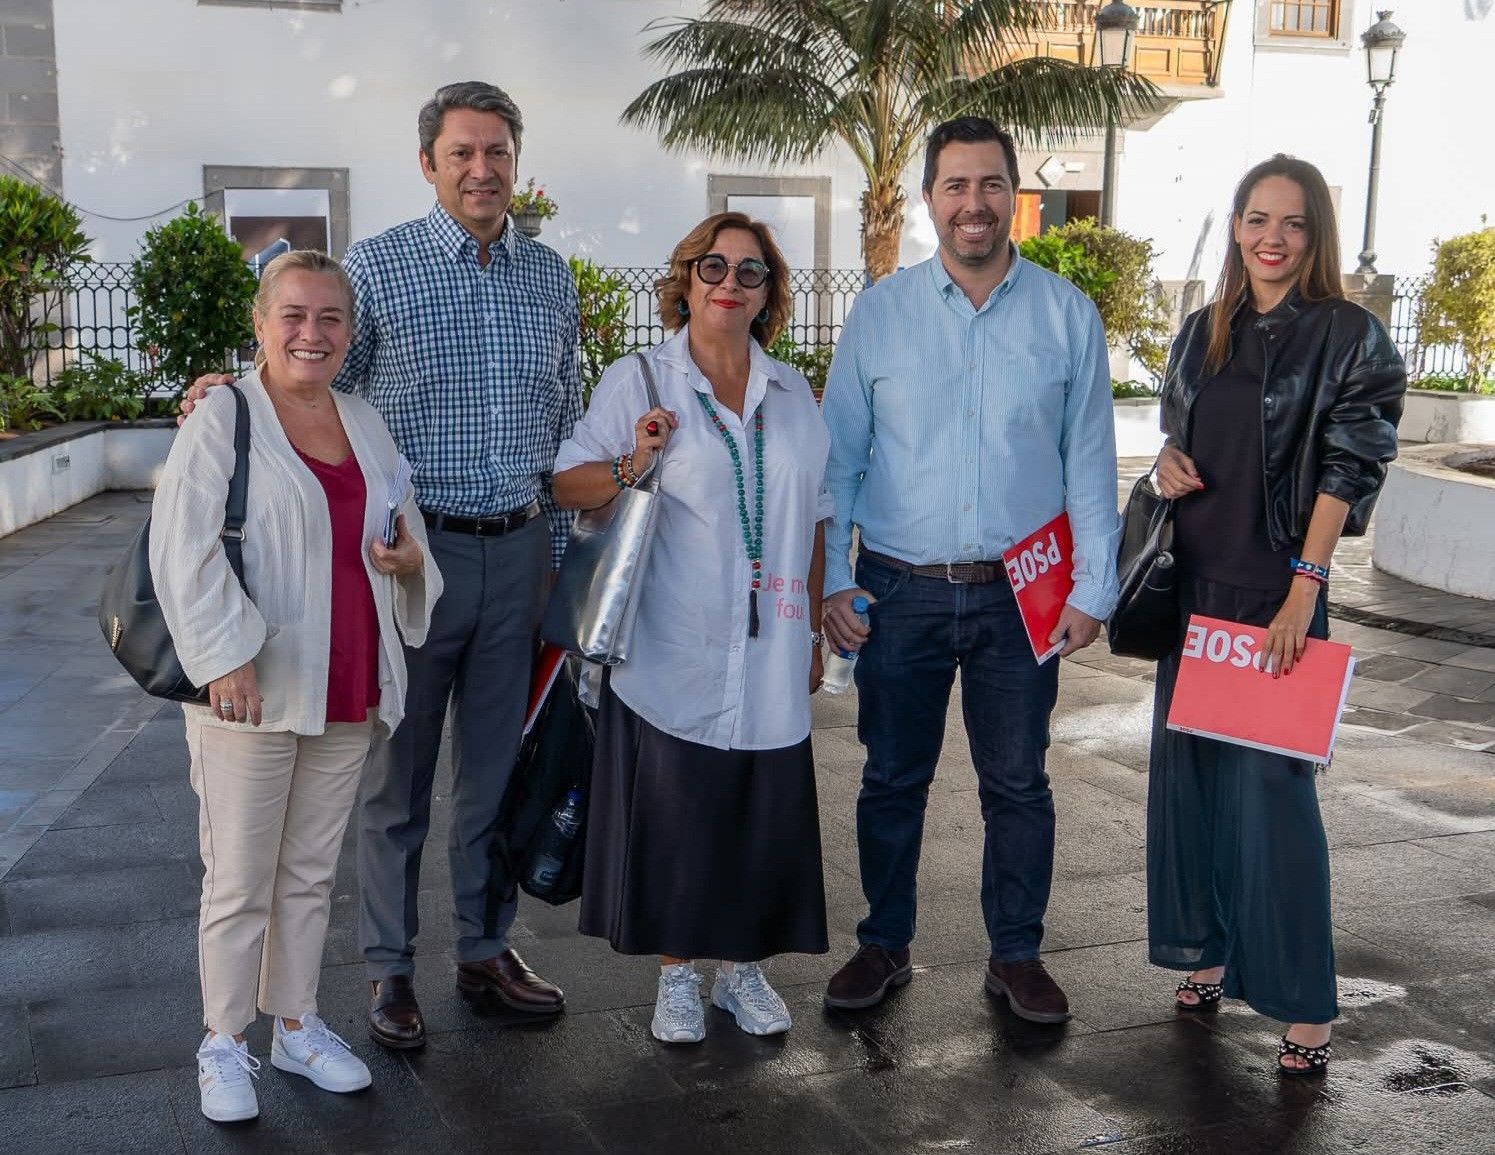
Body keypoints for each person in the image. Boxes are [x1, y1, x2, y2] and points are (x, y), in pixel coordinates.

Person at [186, 81, 583, 1049]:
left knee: (494, 774)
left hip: (518, 550)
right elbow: (306, 374)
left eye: (497, 152)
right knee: (392, 781)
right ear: (428, 165)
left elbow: (563, 418)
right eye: (462, 154)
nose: (482, 170)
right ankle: (388, 967)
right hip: (406, 555)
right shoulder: (379, 266)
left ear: (516, 161)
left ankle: (484, 947)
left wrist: (554, 567)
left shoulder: (551, 278)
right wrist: (225, 393)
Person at [819, 116, 1120, 1023]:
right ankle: (883, 942)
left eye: (989, 183)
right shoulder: (880, 314)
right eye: (955, 185)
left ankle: (1016, 955)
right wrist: (833, 577)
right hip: (897, 588)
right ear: (928, 199)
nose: (973, 203)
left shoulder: (1066, 314)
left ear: (1013, 195)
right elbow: (840, 460)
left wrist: (1093, 589)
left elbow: (1088, 465)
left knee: (1018, 783)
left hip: (1022, 595)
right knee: (889, 779)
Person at [151, 251, 441, 1123]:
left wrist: (409, 558)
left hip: (346, 681)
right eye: (294, 315)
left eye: (329, 318)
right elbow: (182, 547)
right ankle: (222, 1040)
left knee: (310, 873)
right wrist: (221, 656)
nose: (311, 333)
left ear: (350, 332)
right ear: (261, 323)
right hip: (253, 686)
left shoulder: (365, 419)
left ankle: (296, 1024)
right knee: (240, 877)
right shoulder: (223, 416)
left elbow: (405, 527)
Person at [1149, 155, 1405, 1076]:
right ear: (1235, 226)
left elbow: (1350, 463)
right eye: (1256, 218)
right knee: (1194, 789)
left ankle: (1303, 1000)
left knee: (1272, 798)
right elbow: (1179, 439)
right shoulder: (1201, 329)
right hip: (1194, 590)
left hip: (1275, 597)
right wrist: (1164, 465)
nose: (1272, 237)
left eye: (1292, 222)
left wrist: (1306, 583)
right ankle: (1207, 951)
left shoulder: (1348, 333)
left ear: (1314, 235)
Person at [553, 212, 831, 1045]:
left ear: (768, 293)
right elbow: (567, 483)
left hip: (772, 642)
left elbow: (816, 514)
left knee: (758, 808)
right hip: (671, 641)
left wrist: (812, 626)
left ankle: (741, 971)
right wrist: (635, 459)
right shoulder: (640, 379)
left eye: (750, 271)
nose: (728, 283)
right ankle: (676, 975)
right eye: (713, 266)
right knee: (678, 813)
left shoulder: (794, 394)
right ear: (686, 278)